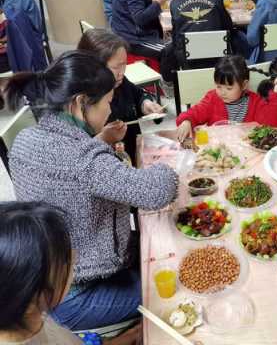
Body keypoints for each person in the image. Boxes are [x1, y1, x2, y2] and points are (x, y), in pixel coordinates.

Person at [4, 51, 178, 330]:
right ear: (80, 103)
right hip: (79, 295)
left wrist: (99, 141)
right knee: (177, 281)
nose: (110, 110)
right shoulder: (83, 160)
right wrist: (171, 166)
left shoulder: (26, 139)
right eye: (108, 102)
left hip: (47, 280)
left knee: (161, 245)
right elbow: (158, 191)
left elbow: (69, 173)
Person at [0, 202, 141, 345]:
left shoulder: (30, 316)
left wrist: (131, 335)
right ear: (29, 296)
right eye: (65, 261)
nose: (74, 254)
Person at [77, 28, 165, 165]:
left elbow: (138, 94)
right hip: (106, 168)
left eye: (124, 65)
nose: (122, 73)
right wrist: (103, 138)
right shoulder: (80, 102)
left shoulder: (120, 82)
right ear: (93, 66)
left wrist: (146, 104)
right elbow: (77, 158)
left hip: (131, 155)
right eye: (116, 67)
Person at [175, 55, 277, 140]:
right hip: (218, 150)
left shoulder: (255, 102)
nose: (222, 92)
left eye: (228, 88)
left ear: (244, 85)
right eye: (219, 86)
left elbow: (273, 123)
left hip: (245, 151)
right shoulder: (212, 99)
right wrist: (186, 121)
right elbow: (195, 112)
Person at [111, 0, 178, 83]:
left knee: (174, 42)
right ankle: (168, 84)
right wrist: (157, 3)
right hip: (131, 38)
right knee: (168, 49)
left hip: (136, 32)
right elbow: (140, 18)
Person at [170, 0, 233, 69]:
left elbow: (175, 33)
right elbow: (228, 26)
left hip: (187, 59)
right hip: (216, 56)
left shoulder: (175, 2)